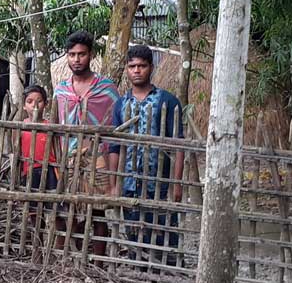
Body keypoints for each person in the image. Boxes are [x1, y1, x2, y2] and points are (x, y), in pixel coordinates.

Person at [108, 45, 184, 265]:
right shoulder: (121, 105)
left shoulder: (167, 101)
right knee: (133, 233)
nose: (137, 71)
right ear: (127, 69)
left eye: (142, 66)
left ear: (151, 67)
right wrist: (114, 183)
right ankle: (139, 273)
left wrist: (176, 184)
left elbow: (178, 145)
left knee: (164, 231)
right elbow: (115, 146)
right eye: (132, 66)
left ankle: (169, 276)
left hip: (157, 182)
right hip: (130, 182)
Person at [53, 30, 120, 259]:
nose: (76, 59)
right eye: (72, 54)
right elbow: (56, 126)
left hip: (98, 157)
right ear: (66, 56)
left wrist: (113, 173)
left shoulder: (107, 89)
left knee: (98, 211)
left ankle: (99, 263)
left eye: (81, 54)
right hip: (69, 158)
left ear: (90, 55)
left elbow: (115, 129)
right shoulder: (61, 90)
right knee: (71, 209)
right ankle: (74, 260)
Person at [17, 85, 62, 250]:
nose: (34, 106)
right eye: (29, 101)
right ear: (23, 105)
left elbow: (58, 151)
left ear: (46, 104)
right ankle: (37, 249)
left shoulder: (51, 127)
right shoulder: (20, 127)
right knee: (35, 214)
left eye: (39, 101)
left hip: (51, 171)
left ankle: (58, 251)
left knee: (57, 212)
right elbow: (17, 154)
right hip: (29, 173)